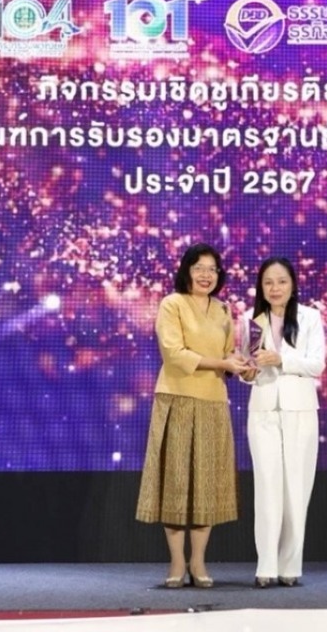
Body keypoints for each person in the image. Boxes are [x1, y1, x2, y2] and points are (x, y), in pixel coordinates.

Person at [135, 242, 253, 589]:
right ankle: (176, 562)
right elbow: (174, 353)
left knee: (206, 485)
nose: (206, 275)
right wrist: (223, 362)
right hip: (177, 400)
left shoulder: (223, 309)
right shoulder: (172, 304)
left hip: (213, 402)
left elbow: (230, 354)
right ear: (187, 270)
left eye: (212, 269)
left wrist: (245, 366)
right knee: (176, 482)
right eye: (199, 268)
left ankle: (198, 561)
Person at [241, 257, 326, 588]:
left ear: (292, 285)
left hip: (300, 411)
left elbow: (316, 365)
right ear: (260, 287)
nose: (275, 288)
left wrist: (281, 359)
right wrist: (247, 372)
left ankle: (291, 565)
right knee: (266, 486)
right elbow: (247, 367)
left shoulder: (310, 317)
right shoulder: (250, 320)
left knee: (296, 488)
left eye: (281, 281)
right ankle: (266, 566)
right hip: (263, 410)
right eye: (268, 282)